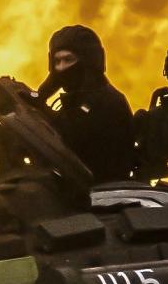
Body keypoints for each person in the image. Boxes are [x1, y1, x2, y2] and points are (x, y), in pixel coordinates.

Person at [36, 25, 135, 183]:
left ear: (88, 60)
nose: (61, 68)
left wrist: (41, 109)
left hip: (101, 188)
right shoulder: (81, 98)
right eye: (57, 61)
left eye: (68, 60)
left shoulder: (103, 100)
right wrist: (38, 96)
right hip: (79, 185)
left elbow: (68, 134)